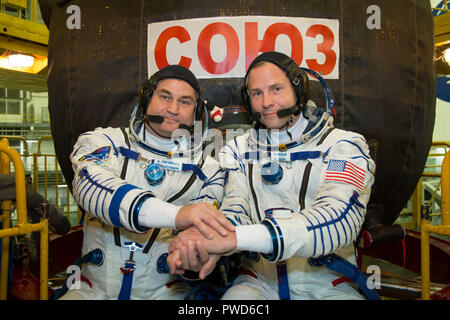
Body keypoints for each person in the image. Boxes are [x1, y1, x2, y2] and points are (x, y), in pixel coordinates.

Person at [167, 51, 377, 300]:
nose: (266, 102)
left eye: (276, 89)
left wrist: (235, 240)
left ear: (299, 90)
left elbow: (339, 220)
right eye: (257, 93)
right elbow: (236, 209)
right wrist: (203, 241)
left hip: (328, 283)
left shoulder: (344, 146)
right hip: (259, 282)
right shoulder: (239, 149)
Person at [59, 65, 234, 300]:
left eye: (184, 102)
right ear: (146, 100)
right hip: (91, 290)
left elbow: (200, 234)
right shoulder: (104, 142)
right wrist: (179, 215)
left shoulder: (208, 170)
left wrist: (196, 254)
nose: (172, 109)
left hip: (164, 293)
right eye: (164, 97)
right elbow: (90, 189)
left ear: (196, 112)